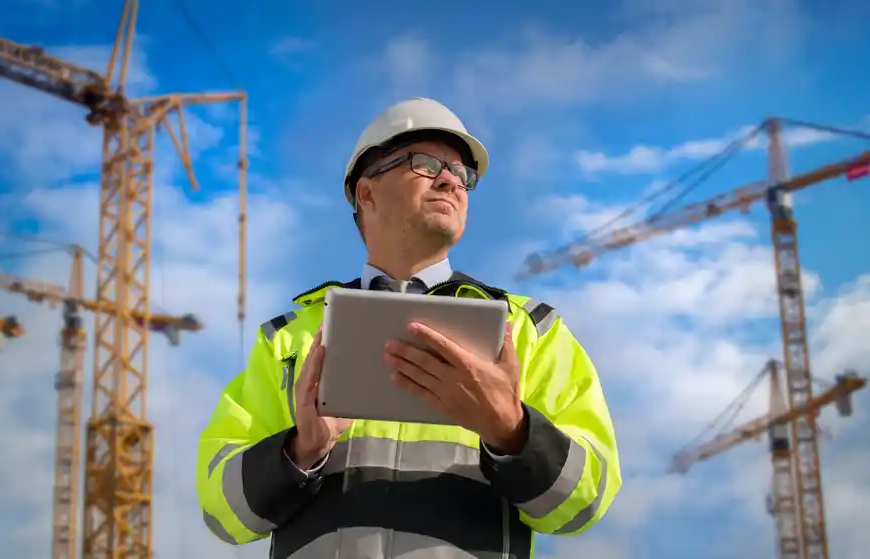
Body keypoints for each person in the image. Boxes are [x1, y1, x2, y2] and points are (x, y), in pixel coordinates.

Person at [196, 97, 622, 558]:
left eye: (462, 175)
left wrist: (513, 433)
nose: (451, 181)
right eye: (427, 163)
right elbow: (223, 512)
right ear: (366, 193)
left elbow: (587, 501)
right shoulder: (287, 340)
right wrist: (300, 451)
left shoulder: (529, 331)